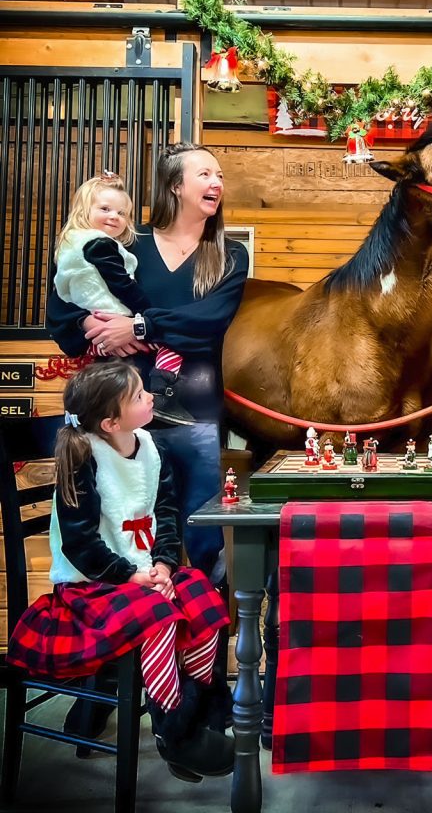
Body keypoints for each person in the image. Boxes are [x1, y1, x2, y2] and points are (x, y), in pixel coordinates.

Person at [6, 362, 234, 781]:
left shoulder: (151, 447)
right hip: (93, 586)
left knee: (202, 594)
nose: (150, 396)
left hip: (145, 574)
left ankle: (202, 714)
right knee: (159, 616)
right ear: (110, 421)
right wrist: (130, 576)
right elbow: (80, 544)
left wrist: (164, 564)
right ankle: (175, 731)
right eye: (139, 396)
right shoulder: (83, 458)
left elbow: (166, 513)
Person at [46, 143, 249, 581]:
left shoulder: (231, 255)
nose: (217, 183)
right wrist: (94, 323)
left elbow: (208, 322)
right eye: (205, 174)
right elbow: (61, 312)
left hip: (195, 413)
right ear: (175, 186)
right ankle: (128, 640)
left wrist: (137, 327)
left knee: (203, 537)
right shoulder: (124, 243)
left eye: (220, 176)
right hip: (116, 416)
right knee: (117, 529)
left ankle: (204, 645)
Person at [53, 170, 193, 426]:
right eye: (105, 209)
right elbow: (61, 305)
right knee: (172, 343)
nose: (113, 217)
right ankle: (164, 393)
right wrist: (143, 320)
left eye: (121, 213)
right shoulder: (105, 244)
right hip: (108, 340)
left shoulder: (72, 244)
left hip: (116, 354)